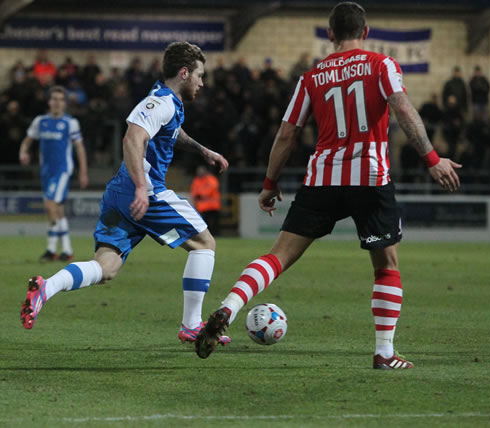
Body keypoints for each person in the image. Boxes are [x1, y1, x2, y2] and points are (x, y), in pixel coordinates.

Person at [196, 2, 461, 369]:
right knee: (386, 264)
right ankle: (384, 352)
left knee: (278, 256)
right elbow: (403, 109)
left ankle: (229, 306)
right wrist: (432, 159)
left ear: (331, 34)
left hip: (322, 179)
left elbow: (286, 134)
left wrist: (270, 183)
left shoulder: (311, 77)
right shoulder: (381, 65)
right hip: (369, 178)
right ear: (365, 32)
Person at [20, 42, 231, 347]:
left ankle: (46, 288)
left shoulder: (166, 101)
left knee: (106, 267)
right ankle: (192, 325)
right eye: (200, 75)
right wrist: (143, 188)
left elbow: (170, 132)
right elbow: (133, 138)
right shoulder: (161, 102)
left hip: (119, 193)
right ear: (184, 73)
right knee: (204, 243)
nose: (202, 82)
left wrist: (203, 150)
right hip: (144, 192)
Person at [19, 86, 89, 261]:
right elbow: (27, 141)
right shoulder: (40, 121)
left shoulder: (70, 123)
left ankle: (53, 249)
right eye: (54, 99)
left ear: (65, 103)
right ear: (49, 101)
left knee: (50, 206)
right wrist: (23, 152)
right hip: (46, 172)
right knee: (57, 210)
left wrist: (83, 172)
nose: (57, 103)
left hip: (62, 171)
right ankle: (64, 250)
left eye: (61, 99)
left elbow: (80, 148)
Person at [190, 165, 222, 236]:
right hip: (203, 207)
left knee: (214, 222)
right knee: (205, 223)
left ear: (206, 171)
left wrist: (201, 194)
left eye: (201, 170)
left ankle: (216, 235)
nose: (200, 172)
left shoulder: (211, 179)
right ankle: (209, 235)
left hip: (213, 205)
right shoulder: (196, 180)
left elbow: (211, 188)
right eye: (198, 171)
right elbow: (194, 192)